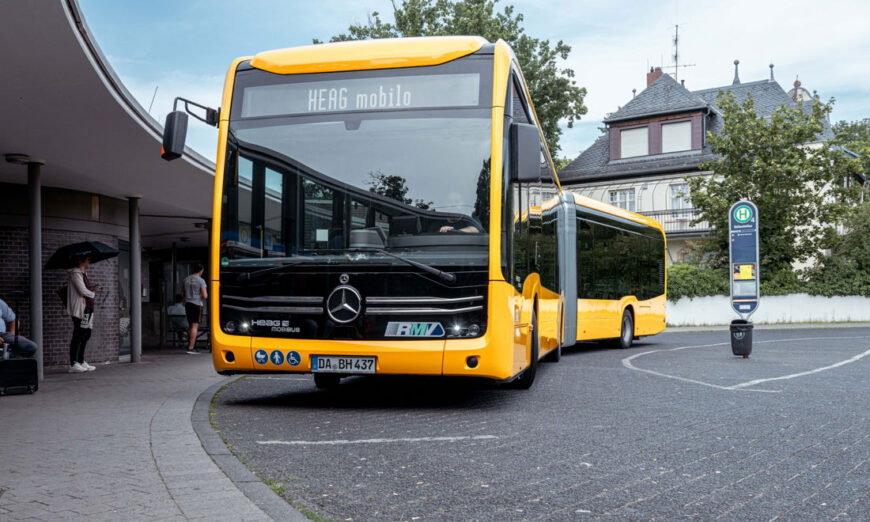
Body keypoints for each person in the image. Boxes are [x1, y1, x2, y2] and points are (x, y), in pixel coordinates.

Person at [68, 256, 98, 373]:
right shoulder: (75, 273)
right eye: (87, 258)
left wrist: (91, 289)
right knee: (78, 334)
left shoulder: (83, 274)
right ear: (80, 260)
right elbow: (82, 291)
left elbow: (86, 290)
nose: (89, 260)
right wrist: (92, 292)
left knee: (86, 334)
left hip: (88, 307)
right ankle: (73, 363)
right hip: (81, 309)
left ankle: (81, 361)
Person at [182, 264, 208, 355]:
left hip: (188, 304)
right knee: (195, 326)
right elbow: (205, 296)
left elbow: (182, 294)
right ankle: (191, 348)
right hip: (197, 304)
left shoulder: (186, 279)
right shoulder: (201, 280)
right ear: (201, 270)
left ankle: (191, 344)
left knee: (190, 325)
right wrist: (199, 296)